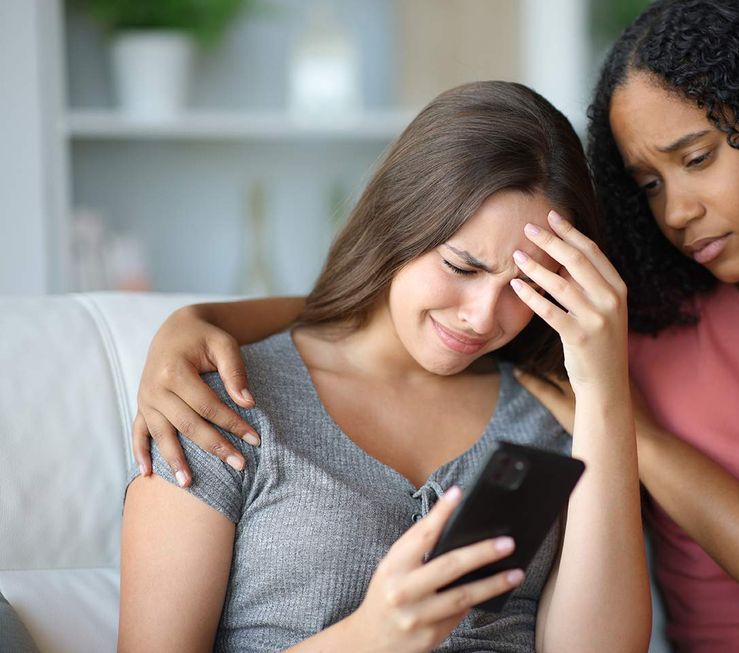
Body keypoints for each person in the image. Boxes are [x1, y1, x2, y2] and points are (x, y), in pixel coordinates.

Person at [132, 0, 739, 650]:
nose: (678, 210)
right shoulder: (219, 396)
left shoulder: (573, 383)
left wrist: (610, 404)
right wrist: (197, 320)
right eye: (648, 183)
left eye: (696, 159)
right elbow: (369, 317)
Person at [119, 80, 652, 653]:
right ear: (400, 222)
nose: (481, 317)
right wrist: (371, 637)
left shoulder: (549, 417)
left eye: (525, 288)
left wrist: (601, 393)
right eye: (461, 267)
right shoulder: (224, 402)